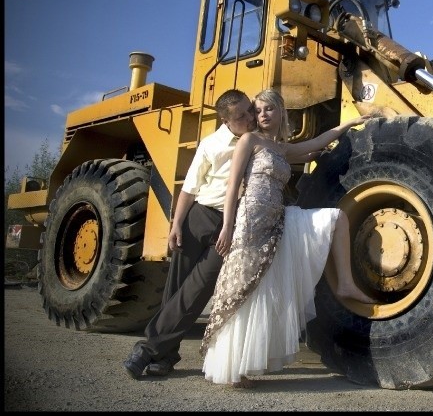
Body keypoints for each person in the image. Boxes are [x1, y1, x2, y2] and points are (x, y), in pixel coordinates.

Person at [200, 88, 376, 388]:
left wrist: (348, 126)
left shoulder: (281, 148)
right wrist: (227, 225)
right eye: (257, 110)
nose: (262, 115)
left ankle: (345, 284)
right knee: (247, 287)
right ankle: (235, 367)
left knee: (336, 218)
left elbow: (316, 142)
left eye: (268, 109)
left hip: (278, 218)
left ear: (281, 111)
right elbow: (232, 187)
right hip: (251, 221)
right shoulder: (249, 140)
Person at [123, 89, 256, 379]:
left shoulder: (258, 140)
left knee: (198, 289)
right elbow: (190, 188)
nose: (249, 118)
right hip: (199, 217)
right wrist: (175, 224)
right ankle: (166, 357)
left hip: (230, 225)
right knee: (176, 287)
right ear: (225, 119)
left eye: (249, 110)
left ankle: (148, 349)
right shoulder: (211, 144)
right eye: (241, 116)